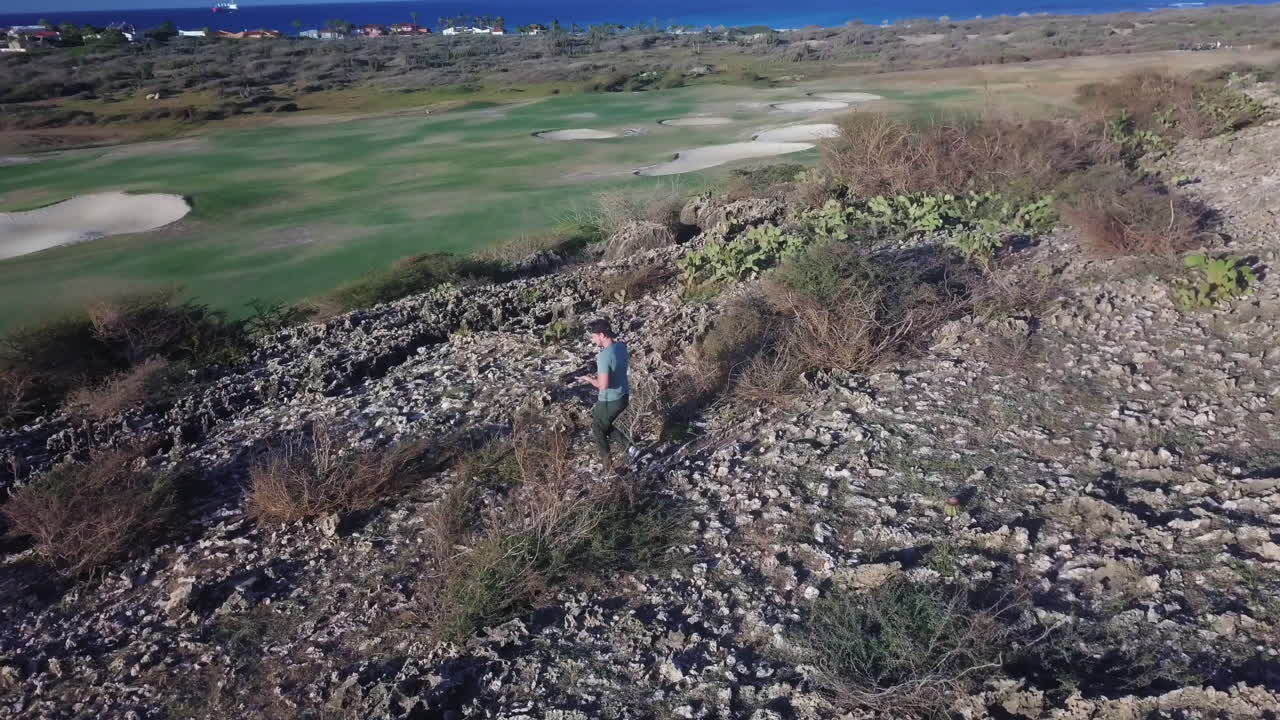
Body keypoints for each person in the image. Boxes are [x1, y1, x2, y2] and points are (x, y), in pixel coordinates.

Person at [575, 318, 635, 472]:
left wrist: (588, 379)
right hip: (623, 395)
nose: (592, 339)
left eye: (594, 336)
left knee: (597, 428)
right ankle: (631, 449)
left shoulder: (603, 356)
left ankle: (608, 467)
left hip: (610, 399)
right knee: (604, 424)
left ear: (602, 335)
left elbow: (603, 385)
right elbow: (614, 367)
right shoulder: (621, 347)